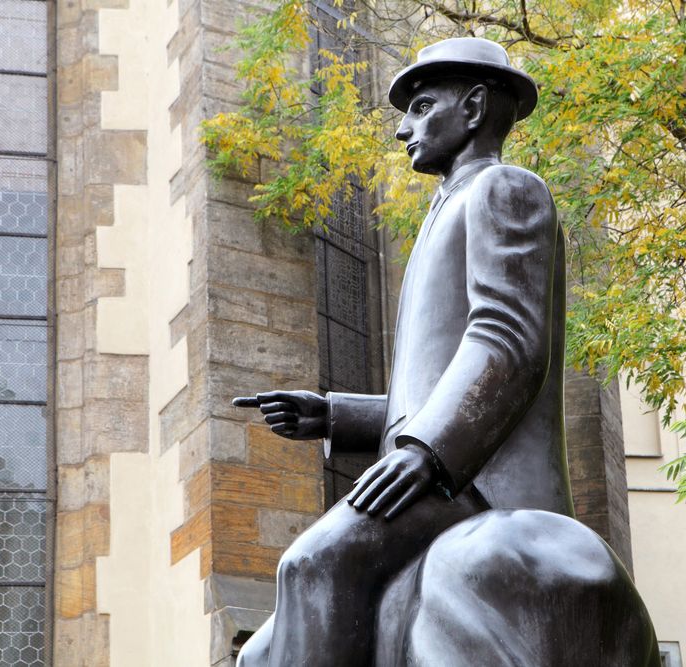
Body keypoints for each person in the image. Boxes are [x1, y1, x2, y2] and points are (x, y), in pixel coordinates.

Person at [235, 37, 573, 666]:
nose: (401, 129)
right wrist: (334, 415)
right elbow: (437, 384)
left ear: (472, 107)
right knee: (257, 655)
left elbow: (507, 341)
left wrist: (426, 452)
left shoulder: (505, 189)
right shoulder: (447, 207)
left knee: (310, 563)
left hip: (475, 481)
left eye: (419, 106)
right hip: (438, 466)